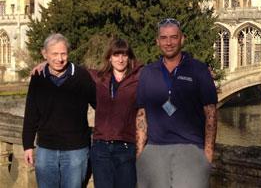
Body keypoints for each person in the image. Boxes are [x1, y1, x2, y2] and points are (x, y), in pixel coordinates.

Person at [135, 18, 218, 188]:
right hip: (154, 149)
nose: (169, 42)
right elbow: (141, 115)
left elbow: (210, 113)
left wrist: (208, 153)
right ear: (157, 41)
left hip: (190, 149)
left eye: (173, 37)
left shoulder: (199, 70)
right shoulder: (147, 73)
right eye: (164, 38)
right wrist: (140, 153)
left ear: (182, 39)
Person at [22, 33, 96, 188]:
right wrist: (27, 145)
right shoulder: (38, 77)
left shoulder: (81, 76)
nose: (59, 58)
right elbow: (31, 113)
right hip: (45, 150)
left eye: (63, 53)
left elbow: (99, 104)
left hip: (76, 150)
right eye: (54, 54)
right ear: (45, 54)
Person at [88, 38, 142, 188]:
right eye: (116, 55)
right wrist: (45, 64)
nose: (120, 59)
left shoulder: (138, 79)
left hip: (125, 147)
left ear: (129, 57)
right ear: (109, 57)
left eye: (124, 55)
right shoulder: (98, 78)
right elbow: (73, 70)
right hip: (101, 148)